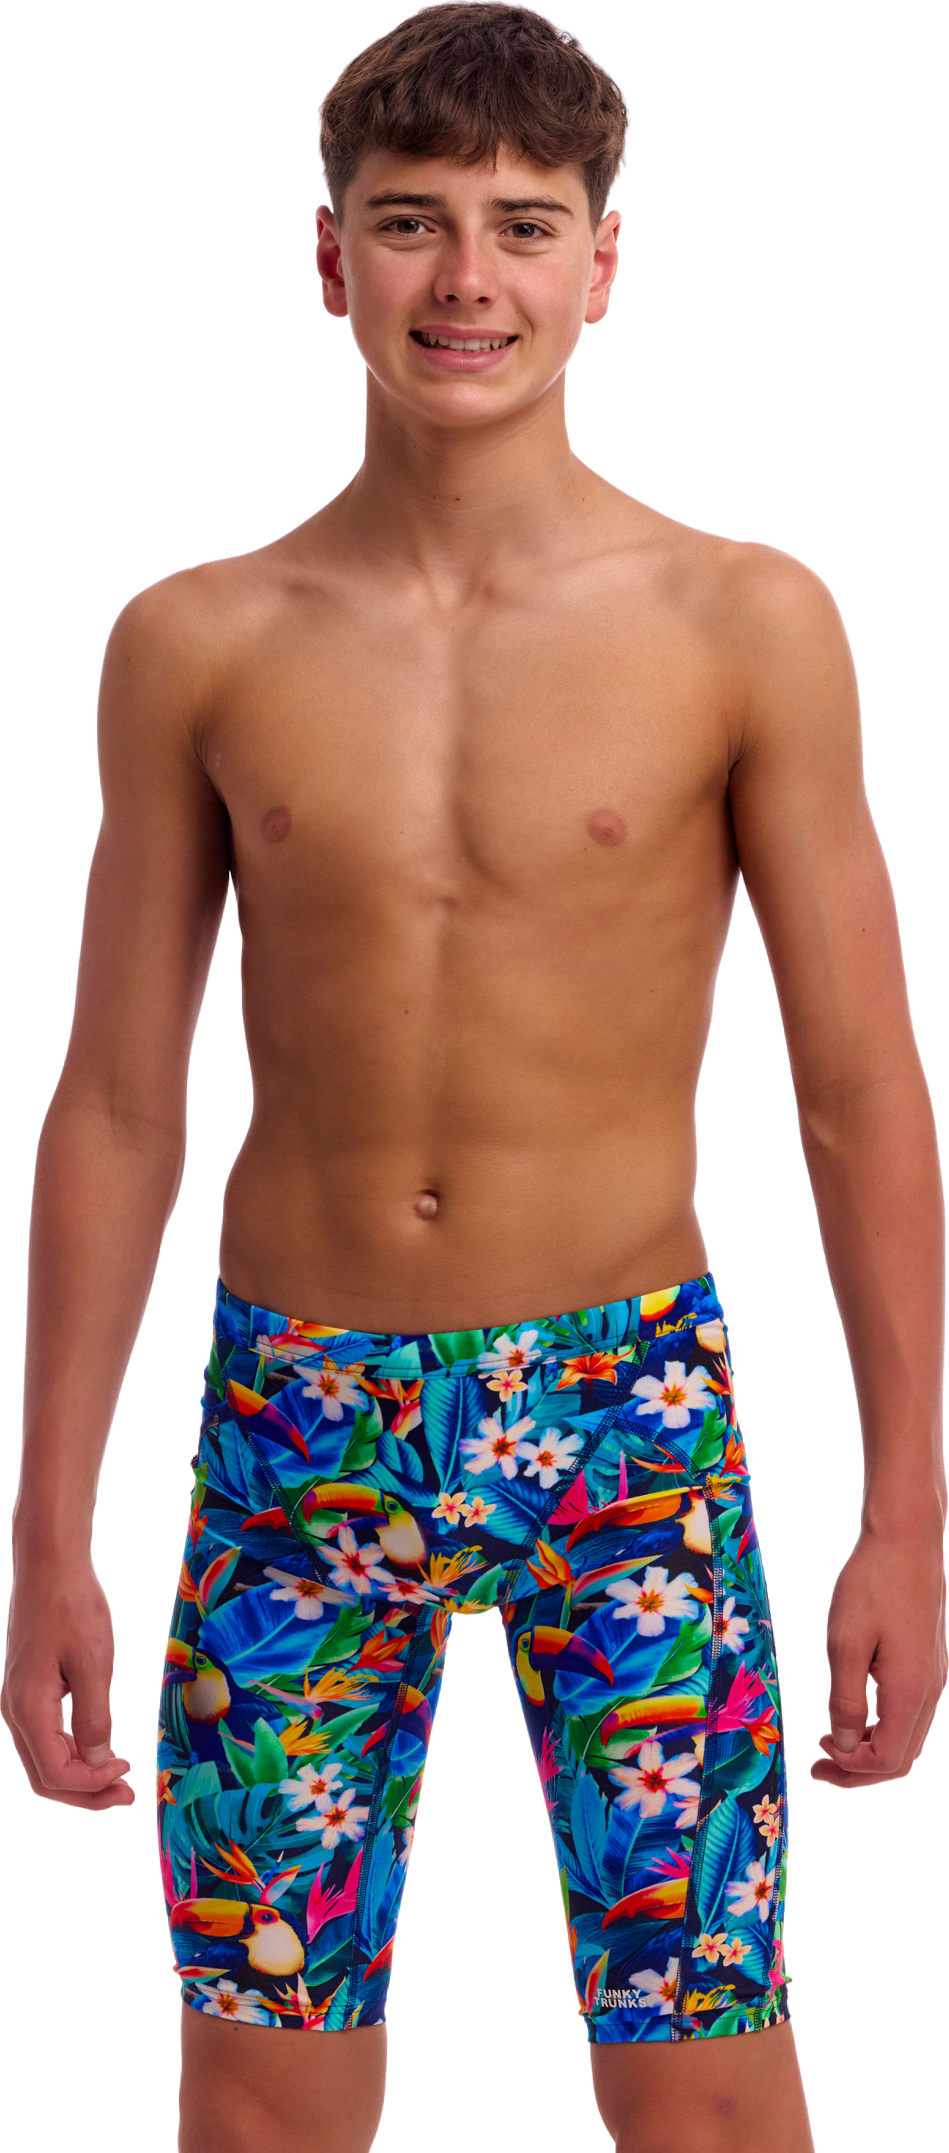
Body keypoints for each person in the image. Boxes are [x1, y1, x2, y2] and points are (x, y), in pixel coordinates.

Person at [5, 4, 946, 2150]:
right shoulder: (197, 640)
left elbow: (858, 1089)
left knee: (705, 2081)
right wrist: (49, 1529)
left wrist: (905, 1509)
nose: (466, 278)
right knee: (260, 2090)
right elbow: (116, 1103)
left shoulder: (743, 619)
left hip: (626, 1418)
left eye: (523, 226)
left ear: (604, 262)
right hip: (295, 1416)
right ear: (328, 256)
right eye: (411, 220)